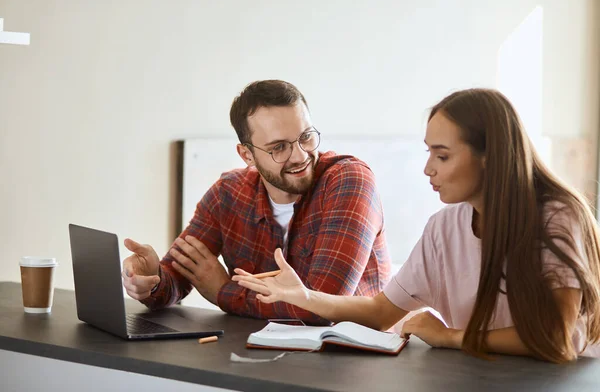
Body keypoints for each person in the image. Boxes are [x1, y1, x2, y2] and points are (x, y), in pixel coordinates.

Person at [233, 88, 600, 363]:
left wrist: (452, 337)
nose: (428, 169)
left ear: (491, 156)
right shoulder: (444, 228)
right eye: (429, 153)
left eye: (442, 155)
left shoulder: (558, 217)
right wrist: (305, 297)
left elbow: (558, 339)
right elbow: (380, 313)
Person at [121, 80, 392, 324]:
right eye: (279, 147)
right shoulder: (228, 193)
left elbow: (323, 306)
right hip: (262, 358)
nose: (300, 156)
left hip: (353, 360)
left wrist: (222, 291)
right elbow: (178, 277)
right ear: (246, 155)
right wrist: (151, 280)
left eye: (306, 137)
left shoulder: (350, 180)